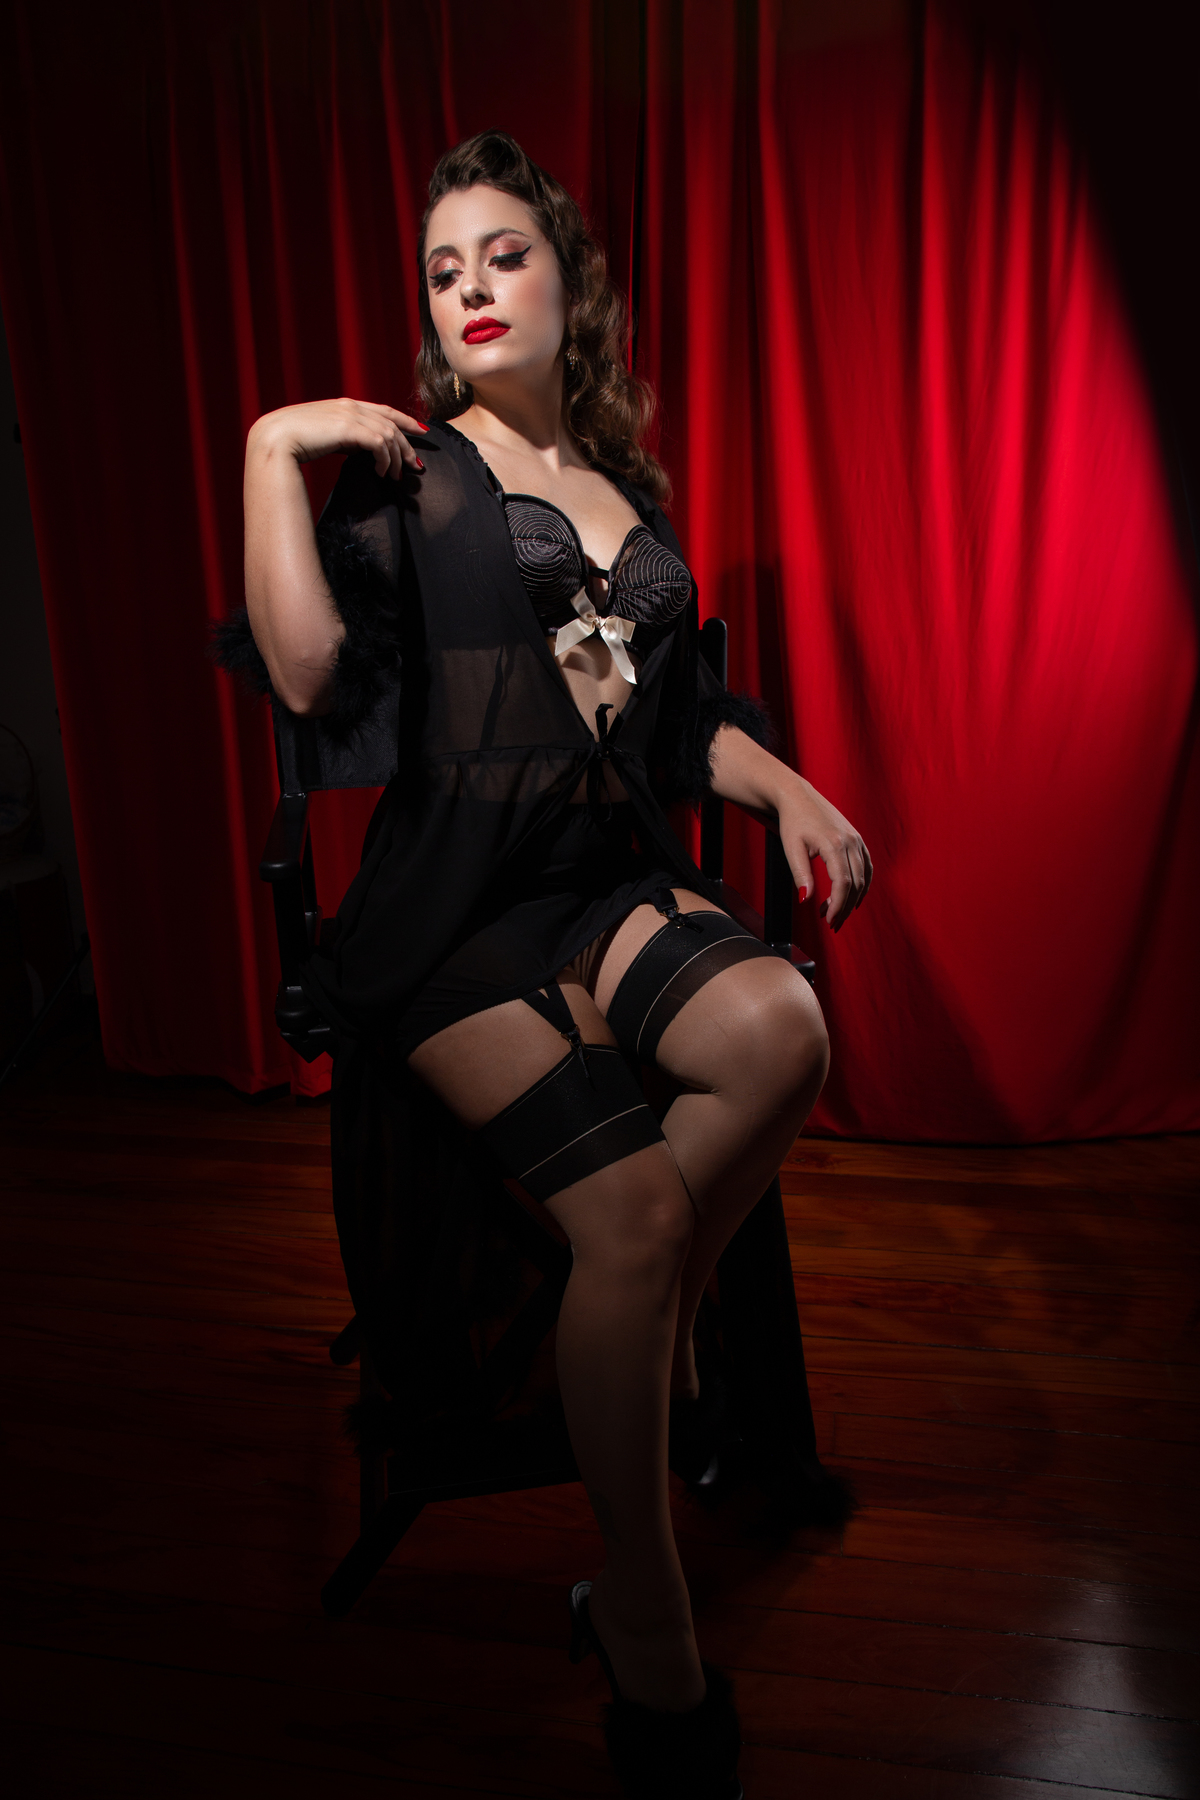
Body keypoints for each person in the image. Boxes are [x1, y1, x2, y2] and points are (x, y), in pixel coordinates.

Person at [227, 130, 871, 1800]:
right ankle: (642, 1619)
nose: (473, 287)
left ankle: (643, 1323)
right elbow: (305, 676)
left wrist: (788, 786)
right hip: (455, 913)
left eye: (504, 254)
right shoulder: (412, 478)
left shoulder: (625, 490)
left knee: (783, 1028)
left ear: (568, 283)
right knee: (636, 1215)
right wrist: (275, 447)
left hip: (595, 880)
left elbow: (667, 723)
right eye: (445, 269)